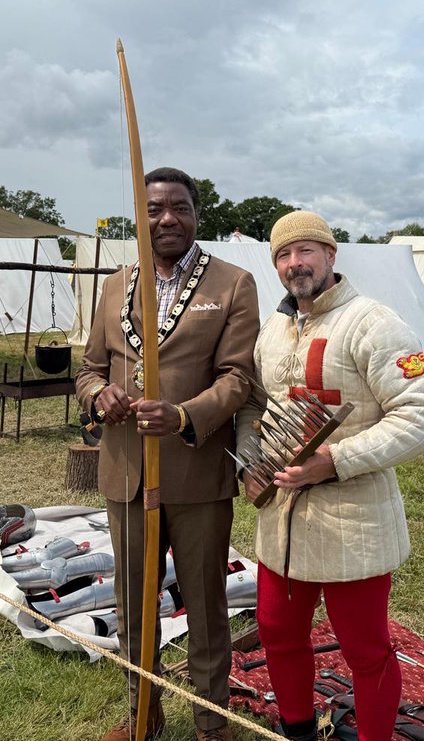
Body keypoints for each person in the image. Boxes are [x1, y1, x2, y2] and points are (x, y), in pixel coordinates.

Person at [236, 211, 424, 741]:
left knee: (364, 649)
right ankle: (299, 733)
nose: (295, 263)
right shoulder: (273, 331)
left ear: (331, 255)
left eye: (306, 250)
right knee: (278, 634)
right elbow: (255, 406)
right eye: (283, 254)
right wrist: (251, 464)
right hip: (282, 519)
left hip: (353, 515)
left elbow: (420, 416)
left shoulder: (375, 322)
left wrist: (335, 460)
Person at [76, 167, 260, 741]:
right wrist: (97, 395)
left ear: (196, 214)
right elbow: (88, 368)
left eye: (178, 207)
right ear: (140, 217)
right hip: (128, 473)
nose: (166, 219)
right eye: (154, 209)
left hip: (197, 472)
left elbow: (238, 379)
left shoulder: (231, 283)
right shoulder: (116, 284)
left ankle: (213, 724)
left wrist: (185, 416)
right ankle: (142, 717)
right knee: (134, 603)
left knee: (206, 607)